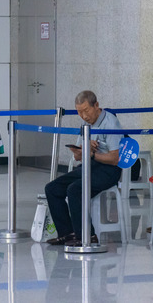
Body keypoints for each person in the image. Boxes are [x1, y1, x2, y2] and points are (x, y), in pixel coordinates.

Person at [45, 91, 123, 246]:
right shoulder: (85, 125)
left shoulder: (110, 122)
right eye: (79, 112)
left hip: (108, 170)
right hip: (89, 166)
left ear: (96, 105)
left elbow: (115, 159)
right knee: (52, 188)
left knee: (75, 189)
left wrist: (92, 154)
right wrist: (80, 151)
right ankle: (67, 233)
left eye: (86, 111)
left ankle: (87, 236)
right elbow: (78, 157)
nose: (84, 116)